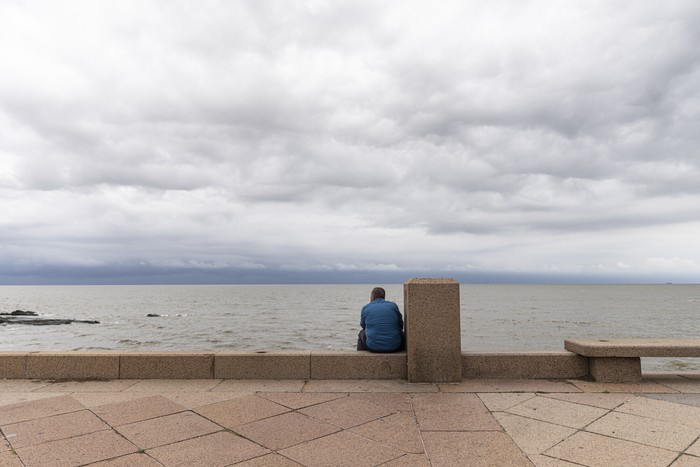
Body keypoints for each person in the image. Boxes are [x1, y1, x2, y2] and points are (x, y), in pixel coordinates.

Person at [357, 287, 404, 352]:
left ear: (372, 296)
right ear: (384, 296)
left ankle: (360, 357)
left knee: (361, 333)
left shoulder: (366, 308)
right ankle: (406, 357)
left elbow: (363, 326)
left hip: (372, 347)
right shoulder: (393, 306)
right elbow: (400, 324)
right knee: (401, 333)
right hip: (394, 347)